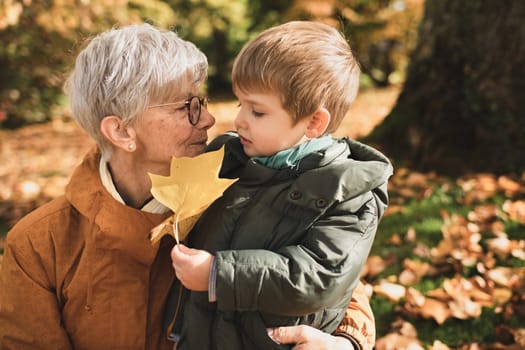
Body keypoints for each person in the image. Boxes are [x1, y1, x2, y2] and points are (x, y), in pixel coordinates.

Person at [0, 23, 375, 349]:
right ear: (121, 131)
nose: (210, 118)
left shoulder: (236, 184)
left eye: (203, 100)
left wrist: (347, 341)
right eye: (186, 107)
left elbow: (333, 271)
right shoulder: (38, 247)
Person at [169, 21, 392, 350]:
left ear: (314, 122)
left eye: (257, 111)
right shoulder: (229, 158)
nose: (240, 119)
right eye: (239, 104)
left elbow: (318, 276)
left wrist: (219, 274)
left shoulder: (348, 194)